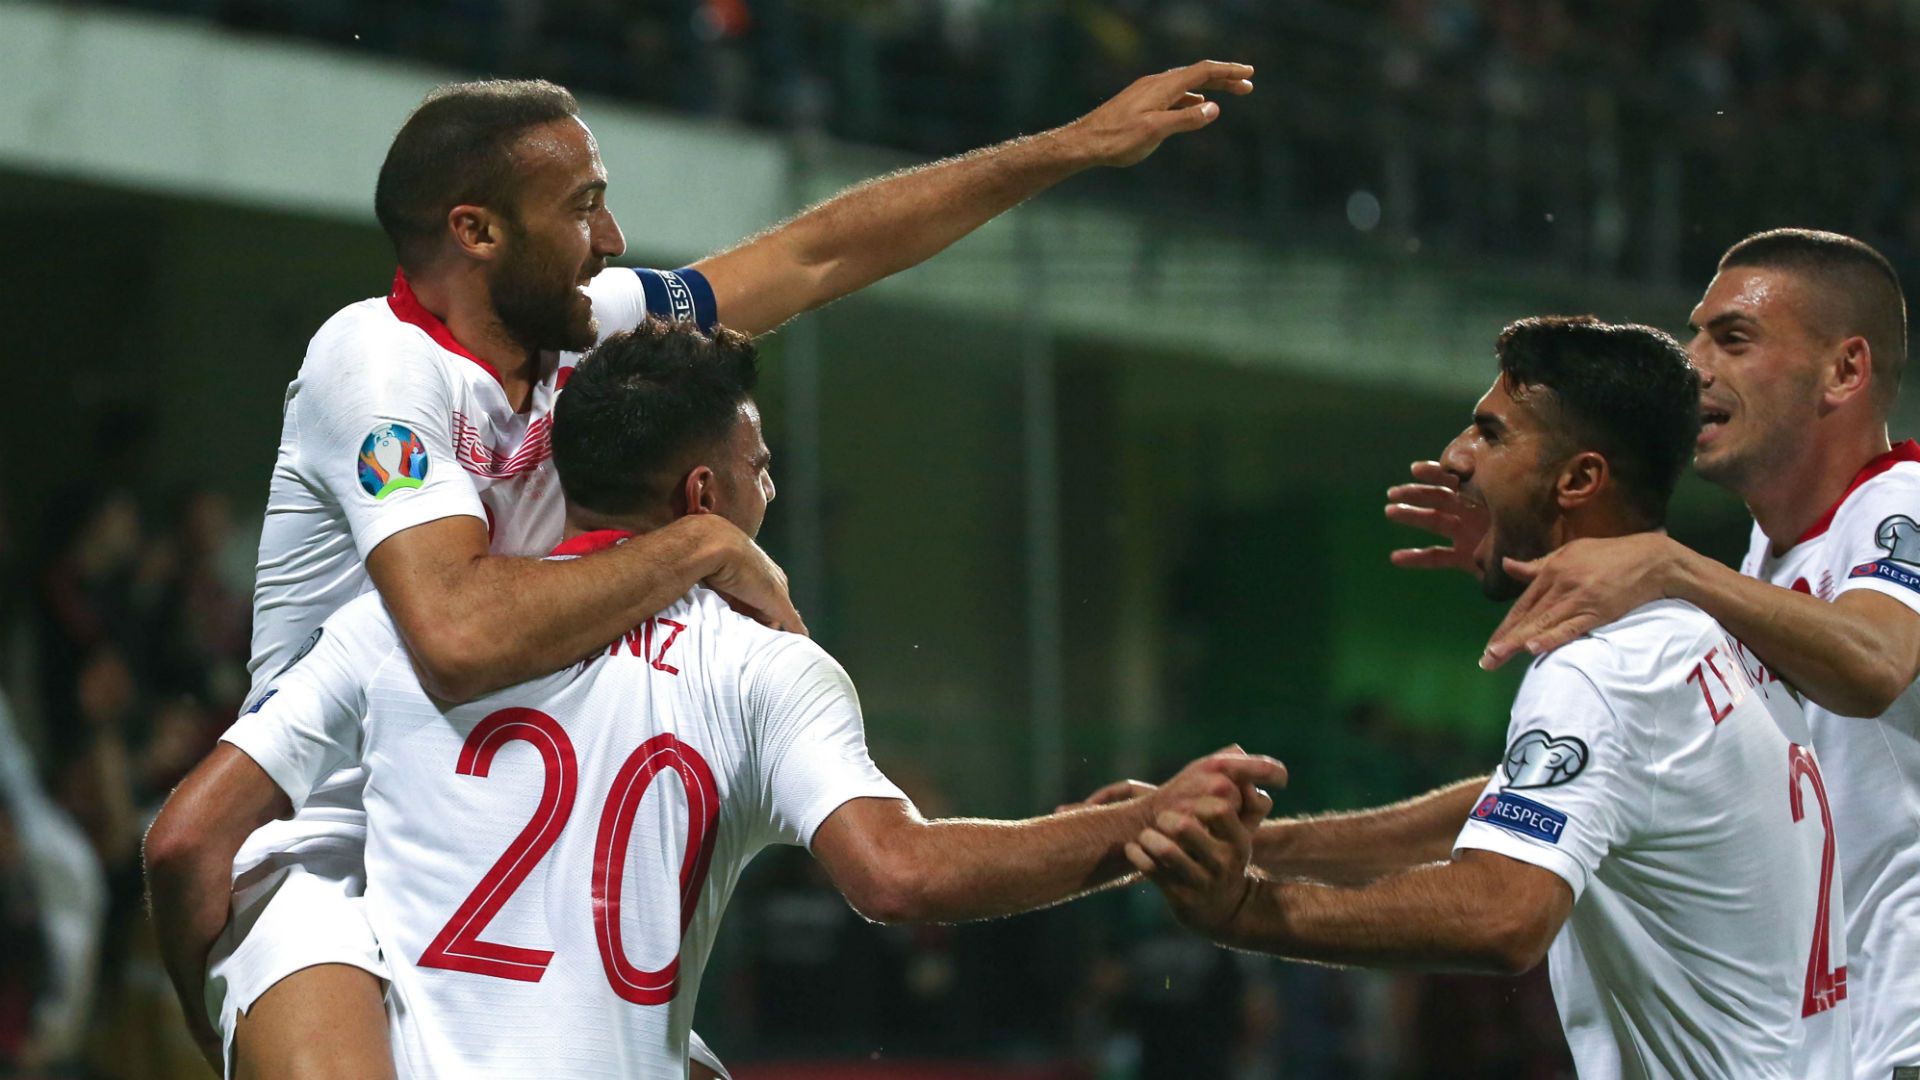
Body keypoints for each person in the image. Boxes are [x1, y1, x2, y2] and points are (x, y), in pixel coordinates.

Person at [153, 62, 1256, 1077]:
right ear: (475, 231)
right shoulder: (376, 364)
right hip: (324, 836)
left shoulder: (584, 324)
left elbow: (818, 256)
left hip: (497, 825)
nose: (611, 236)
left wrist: (1068, 145)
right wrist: (705, 543)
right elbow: (456, 634)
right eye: (582, 206)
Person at [1128, 317, 1851, 1078]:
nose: (1455, 455)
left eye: (1491, 433)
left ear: (1578, 481)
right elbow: (1518, 808)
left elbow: (1504, 914)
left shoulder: (1601, 672)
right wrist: (1265, 848)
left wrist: (1242, 909)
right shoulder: (1703, 632)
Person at [1394, 229, 1918, 1080]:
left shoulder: (1903, 503)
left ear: (1845, 370)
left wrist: (1670, 566)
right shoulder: (1768, 561)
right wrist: (1528, 539)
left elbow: (1877, 662)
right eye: (1696, 335)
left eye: (1733, 339)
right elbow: (1594, 775)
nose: (1695, 365)